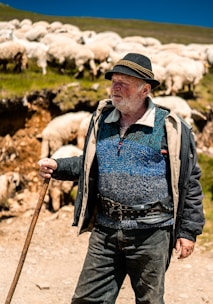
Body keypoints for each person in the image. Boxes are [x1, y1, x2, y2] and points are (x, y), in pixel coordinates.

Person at [38, 53, 205, 304]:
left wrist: (188, 231)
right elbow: (90, 163)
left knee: (149, 301)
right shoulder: (102, 120)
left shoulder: (170, 126)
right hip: (105, 229)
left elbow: (190, 180)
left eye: (123, 83)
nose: (115, 88)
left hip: (152, 232)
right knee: (87, 299)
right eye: (113, 81)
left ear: (144, 89)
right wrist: (57, 165)